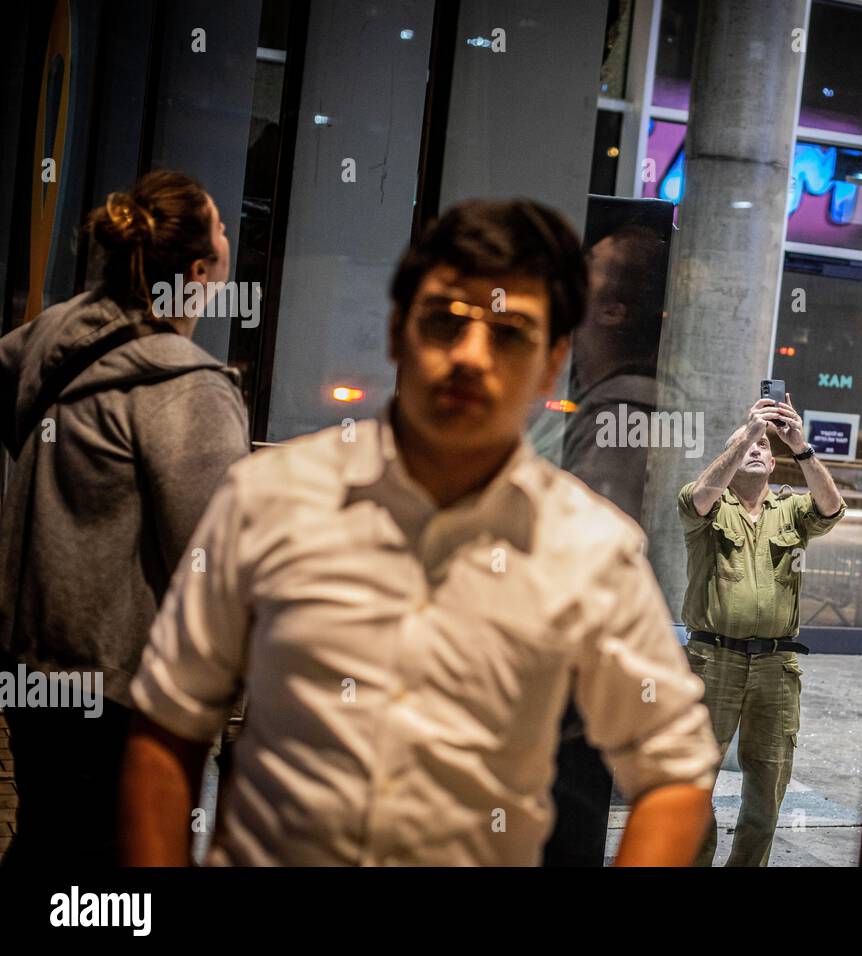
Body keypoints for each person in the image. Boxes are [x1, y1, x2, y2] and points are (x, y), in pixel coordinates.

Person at [119, 198, 719, 866]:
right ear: (398, 329)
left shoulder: (591, 549)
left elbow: (674, 772)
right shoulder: (270, 499)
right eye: (444, 322)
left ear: (553, 363)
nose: (469, 356)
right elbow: (169, 724)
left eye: (509, 332)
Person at [0, 170, 249, 866]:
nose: (231, 235)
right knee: (108, 870)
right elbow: (212, 563)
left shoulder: (53, 334)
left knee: (49, 838)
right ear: (202, 271)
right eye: (222, 226)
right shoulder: (187, 389)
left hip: (30, 663)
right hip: (120, 691)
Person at [679, 395, 845, 866]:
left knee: (767, 785)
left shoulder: (790, 511)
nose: (755, 450)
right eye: (747, 446)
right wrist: (745, 434)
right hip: (712, 662)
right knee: (694, 778)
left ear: (774, 463)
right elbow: (697, 497)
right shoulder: (709, 509)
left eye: (761, 447)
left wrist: (802, 448)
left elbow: (832, 510)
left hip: (776, 665)